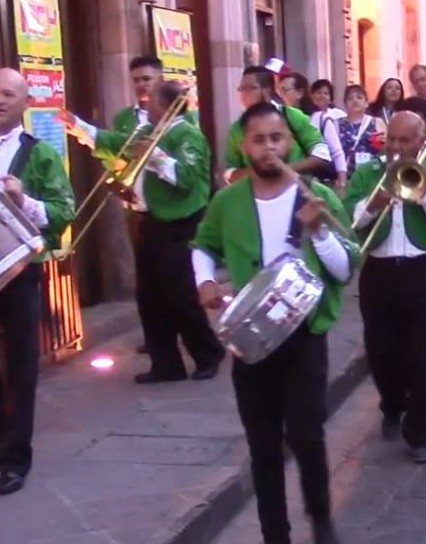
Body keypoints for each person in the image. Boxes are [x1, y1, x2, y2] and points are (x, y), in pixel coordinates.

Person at [192, 101, 359, 544]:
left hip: (304, 335)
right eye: (259, 140)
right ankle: (274, 534)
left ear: (289, 142)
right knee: (262, 444)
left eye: (277, 138)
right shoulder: (228, 201)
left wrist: (321, 229)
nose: (269, 148)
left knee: (307, 433)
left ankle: (321, 520)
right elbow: (202, 246)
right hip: (251, 338)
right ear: (243, 147)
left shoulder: (316, 195)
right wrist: (205, 281)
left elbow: (344, 270)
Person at [65, 81, 225, 383]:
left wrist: (155, 157)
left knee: (180, 295)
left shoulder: (187, 135)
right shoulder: (146, 132)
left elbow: (187, 178)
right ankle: (166, 364)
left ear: (165, 106)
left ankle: (208, 352)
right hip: (148, 222)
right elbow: (114, 142)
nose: (145, 106)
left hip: (180, 225)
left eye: (151, 103)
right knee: (149, 296)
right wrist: (79, 126)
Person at [344, 111, 426, 463]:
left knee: (425, 356)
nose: (395, 147)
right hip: (379, 271)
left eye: (404, 140)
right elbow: (349, 219)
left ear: (421, 142)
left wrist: (423, 193)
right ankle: (392, 404)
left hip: (422, 271)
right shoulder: (368, 173)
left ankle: (421, 434)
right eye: (391, 139)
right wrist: (373, 203)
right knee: (381, 352)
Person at [0, 68, 75, 495]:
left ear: (26, 103)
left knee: (21, 366)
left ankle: (14, 459)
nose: (1, 100)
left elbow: (65, 209)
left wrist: (23, 200)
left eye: (10, 94)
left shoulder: (39, 154)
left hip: (21, 270)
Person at [224, 66, 331, 184]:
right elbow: (230, 173)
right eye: (241, 88)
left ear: (267, 90)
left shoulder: (291, 116)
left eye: (250, 88)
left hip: (299, 190)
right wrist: (264, 173)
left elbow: (322, 155)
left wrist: (284, 170)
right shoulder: (238, 128)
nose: (243, 94)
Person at [279, 72, 347, 193]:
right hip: (287, 185)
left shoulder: (319, 118)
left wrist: (342, 183)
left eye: (285, 90)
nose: (280, 95)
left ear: (300, 93)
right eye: (279, 90)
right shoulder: (278, 119)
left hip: (317, 183)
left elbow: (337, 152)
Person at [337, 85, 386, 174]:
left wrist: (383, 143)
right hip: (345, 173)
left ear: (366, 103)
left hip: (372, 171)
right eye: (350, 98)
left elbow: (386, 150)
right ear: (345, 104)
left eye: (359, 97)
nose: (355, 100)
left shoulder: (376, 122)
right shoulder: (337, 124)